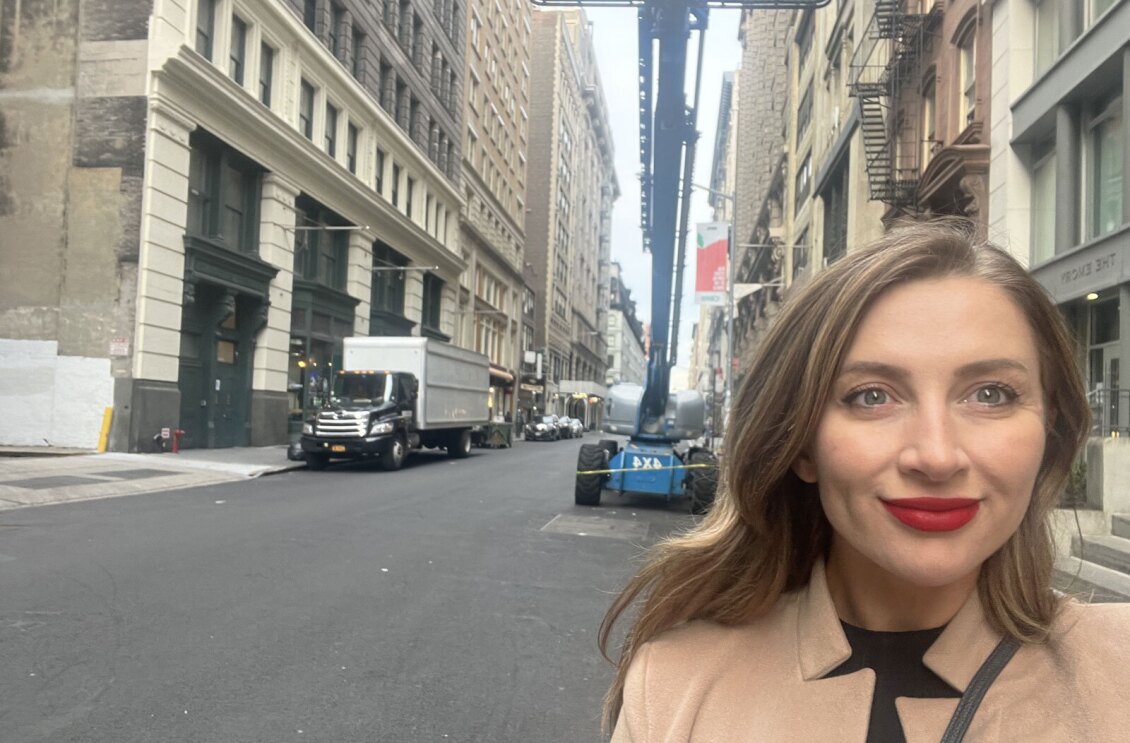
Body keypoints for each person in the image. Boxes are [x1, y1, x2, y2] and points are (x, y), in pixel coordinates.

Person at [601, 221, 1130, 742]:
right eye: (872, 396)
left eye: (990, 394)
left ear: (1050, 430)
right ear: (802, 444)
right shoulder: (674, 685)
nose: (937, 456)